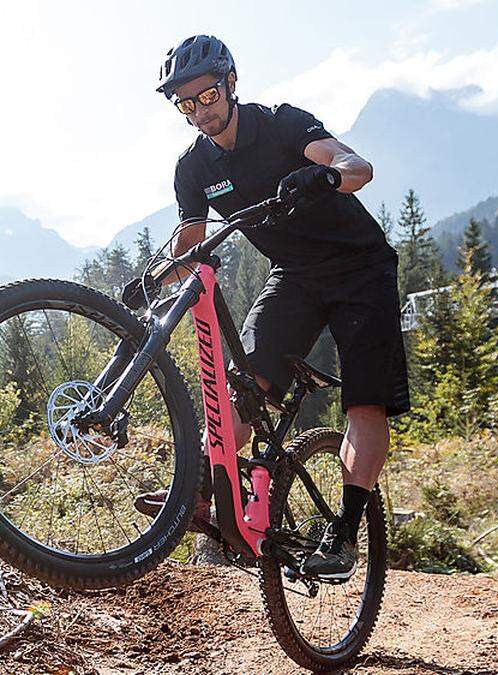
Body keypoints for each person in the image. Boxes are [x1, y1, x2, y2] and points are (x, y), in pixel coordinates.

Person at [132, 35, 408, 580]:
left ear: (231, 83)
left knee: (364, 405)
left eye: (207, 96)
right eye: (185, 104)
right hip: (295, 278)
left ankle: (345, 532)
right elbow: (191, 247)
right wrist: (152, 283)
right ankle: (207, 499)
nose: (199, 111)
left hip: (360, 268)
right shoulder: (193, 168)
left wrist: (325, 174)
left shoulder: (281, 123)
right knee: (242, 390)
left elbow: (358, 166)